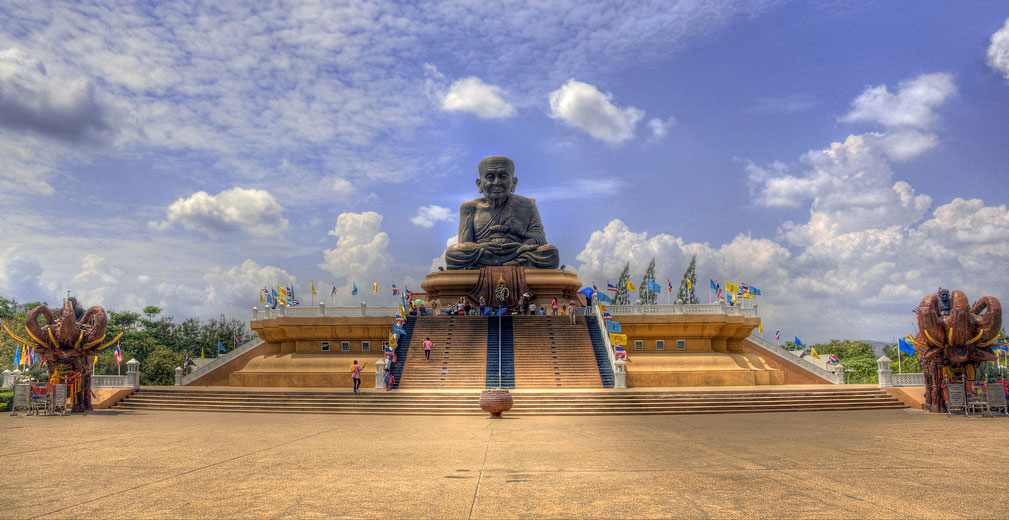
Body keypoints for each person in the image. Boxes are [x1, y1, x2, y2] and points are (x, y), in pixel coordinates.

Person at [444, 156, 559, 269]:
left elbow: (539, 238)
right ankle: (513, 265)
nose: (497, 182)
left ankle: (498, 265)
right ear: (479, 184)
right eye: (490, 177)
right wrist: (483, 246)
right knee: (453, 252)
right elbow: (465, 244)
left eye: (503, 176)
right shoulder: (469, 207)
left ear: (513, 183)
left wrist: (520, 247)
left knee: (550, 252)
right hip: (484, 253)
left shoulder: (527, 204)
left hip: (518, 251)